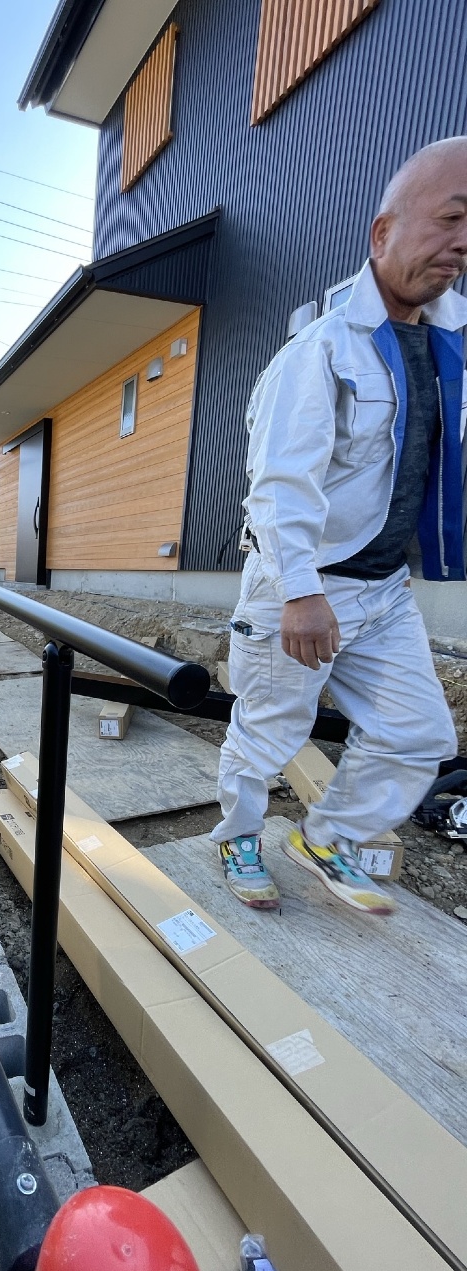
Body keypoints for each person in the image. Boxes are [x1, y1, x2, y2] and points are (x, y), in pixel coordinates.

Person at [213, 138, 467, 917]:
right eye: (450, 220)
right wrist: (299, 592)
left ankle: (329, 835)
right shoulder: (319, 352)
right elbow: (280, 483)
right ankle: (237, 835)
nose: (462, 245)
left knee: (419, 732)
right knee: (267, 728)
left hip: (384, 590)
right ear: (381, 233)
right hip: (305, 583)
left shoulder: (452, 343)